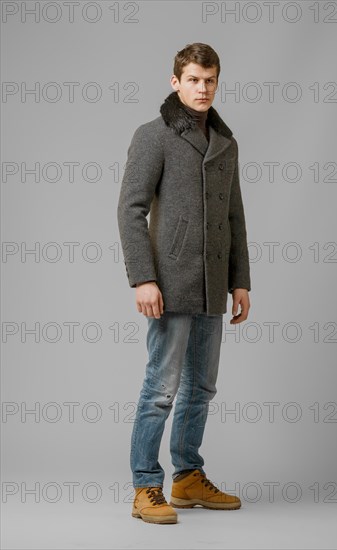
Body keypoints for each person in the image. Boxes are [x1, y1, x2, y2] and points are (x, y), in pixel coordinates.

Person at [117, 42, 251, 524]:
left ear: (217, 82)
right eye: (193, 79)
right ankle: (145, 486)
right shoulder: (153, 136)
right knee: (161, 388)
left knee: (202, 388)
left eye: (210, 80)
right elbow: (130, 209)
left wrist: (241, 281)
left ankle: (188, 478)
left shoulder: (225, 142)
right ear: (176, 82)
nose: (202, 88)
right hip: (169, 283)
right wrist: (143, 278)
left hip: (214, 284)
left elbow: (234, 215)